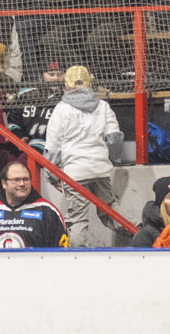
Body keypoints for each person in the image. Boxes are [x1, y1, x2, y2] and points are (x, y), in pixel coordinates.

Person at [39, 63, 130, 246]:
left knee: (78, 219)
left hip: (74, 174)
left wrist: (53, 176)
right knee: (110, 211)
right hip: (100, 170)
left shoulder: (60, 110)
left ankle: (79, 257)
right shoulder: (103, 107)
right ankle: (141, 231)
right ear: (90, 84)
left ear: (67, 85)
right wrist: (105, 158)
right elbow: (115, 140)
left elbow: (53, 149)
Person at [0, 159, 66, 248]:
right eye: (16, 179)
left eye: (26, 179)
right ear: (4, 183)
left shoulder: (47, 211)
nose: (22, 184)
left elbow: (61, 254)